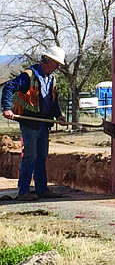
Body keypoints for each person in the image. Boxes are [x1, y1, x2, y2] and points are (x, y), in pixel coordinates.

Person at [1, 46, 67, 201]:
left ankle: (42, 189)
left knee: (41, 157)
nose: (57, 67)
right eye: (56, 63)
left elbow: (52, 101)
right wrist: (6, 108)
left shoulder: (51, 79)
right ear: (48, 60)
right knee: (30, 157)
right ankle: (23, 191)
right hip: (29, 122)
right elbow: (9, 88)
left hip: (43, 123)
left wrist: (59, 116)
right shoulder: (28, 76)